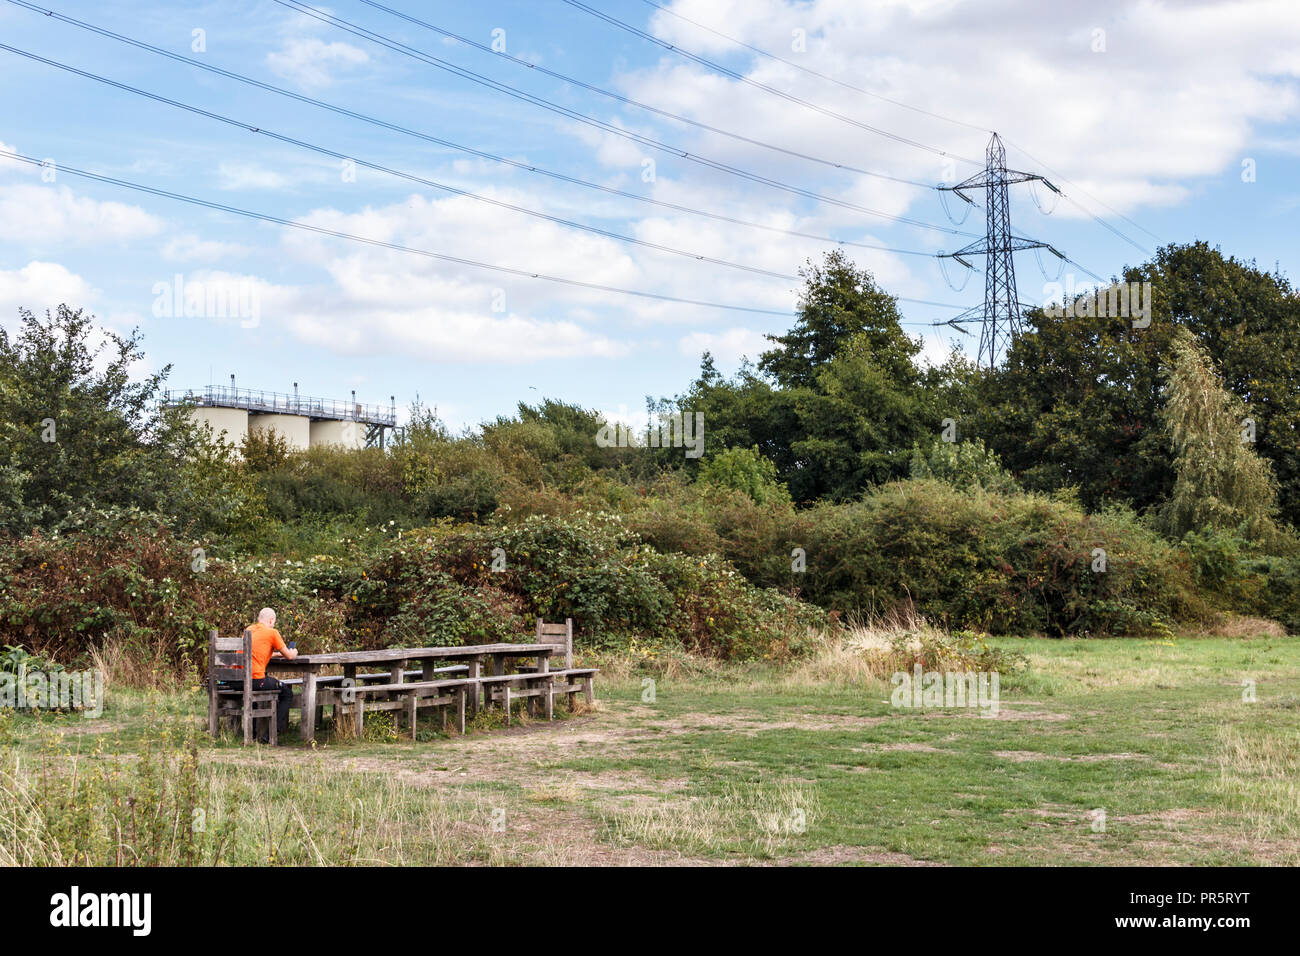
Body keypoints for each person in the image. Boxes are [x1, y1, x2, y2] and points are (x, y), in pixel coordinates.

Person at [245, 607, 298, 743]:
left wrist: (275, 653)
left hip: (240, 679)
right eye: (274, 622)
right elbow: (290, 657)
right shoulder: (272, 632)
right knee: (287, 693)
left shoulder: (249, 630)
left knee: (257, 691)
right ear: (271, 620)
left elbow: (255, 653)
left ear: (258, 620)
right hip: (256, 680)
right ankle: (270, 734)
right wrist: (294, 652)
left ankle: (253, 734)